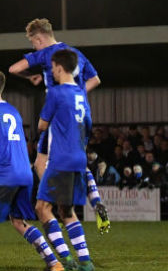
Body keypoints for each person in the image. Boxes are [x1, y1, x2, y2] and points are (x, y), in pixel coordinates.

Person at [7, 18, 109, 233]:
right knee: (76, 159)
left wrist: (31, 75)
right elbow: (95, 79)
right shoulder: (74, 54)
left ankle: (57, 199)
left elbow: (13, 68)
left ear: (39, 38)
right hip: (80, 116)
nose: (34, 47)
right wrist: (77, 95)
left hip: (58, 118)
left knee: (40, 164)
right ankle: (95, 198)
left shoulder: (48, 54)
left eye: (33, 43)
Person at [0, 69, 65, 271]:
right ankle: (54, 262)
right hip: (24, 173)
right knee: (19, 222)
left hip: (5, 174)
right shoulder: (14, 111)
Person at [34, 49, 96, 271]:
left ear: (59, 67)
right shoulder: (81, 93)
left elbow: (42, 124)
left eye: (52, 68)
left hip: (60, 159)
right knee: (66, 210)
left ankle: (66, 259)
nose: (52, 72)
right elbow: (88, 124)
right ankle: (86, 261)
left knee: (42, 208)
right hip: (78, 158)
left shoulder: (56, 93)